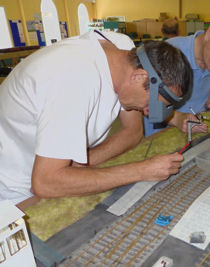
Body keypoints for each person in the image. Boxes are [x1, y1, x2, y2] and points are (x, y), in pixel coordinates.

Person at [0, 30, 192, 208]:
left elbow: (132, 133)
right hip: (12, 187)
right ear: (139, 77)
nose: (149, 113)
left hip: (46, 175)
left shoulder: (124, 51)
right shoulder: (75, 81)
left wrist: (79, 166)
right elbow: (46, 182)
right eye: (153, 103)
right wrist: (141, 170)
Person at [143, 12, 210, 136]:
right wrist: (175, 118)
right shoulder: (169, 52)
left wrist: (208, 103)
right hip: (161, 140)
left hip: (193, 136)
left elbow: (195, 102)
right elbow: (144, 103)